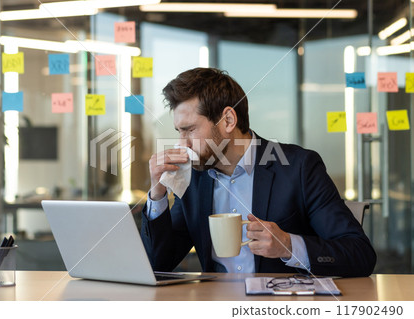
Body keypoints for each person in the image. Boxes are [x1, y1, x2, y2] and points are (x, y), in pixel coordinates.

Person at [140, 67, 376, 277]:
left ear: (228, 120)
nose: (182, 144)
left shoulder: (299, 168)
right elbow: (159, 262)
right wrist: (157, 194)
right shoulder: (193, 177)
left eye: (189, 130)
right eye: (179, 132)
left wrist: (289, 245)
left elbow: (360, 255)